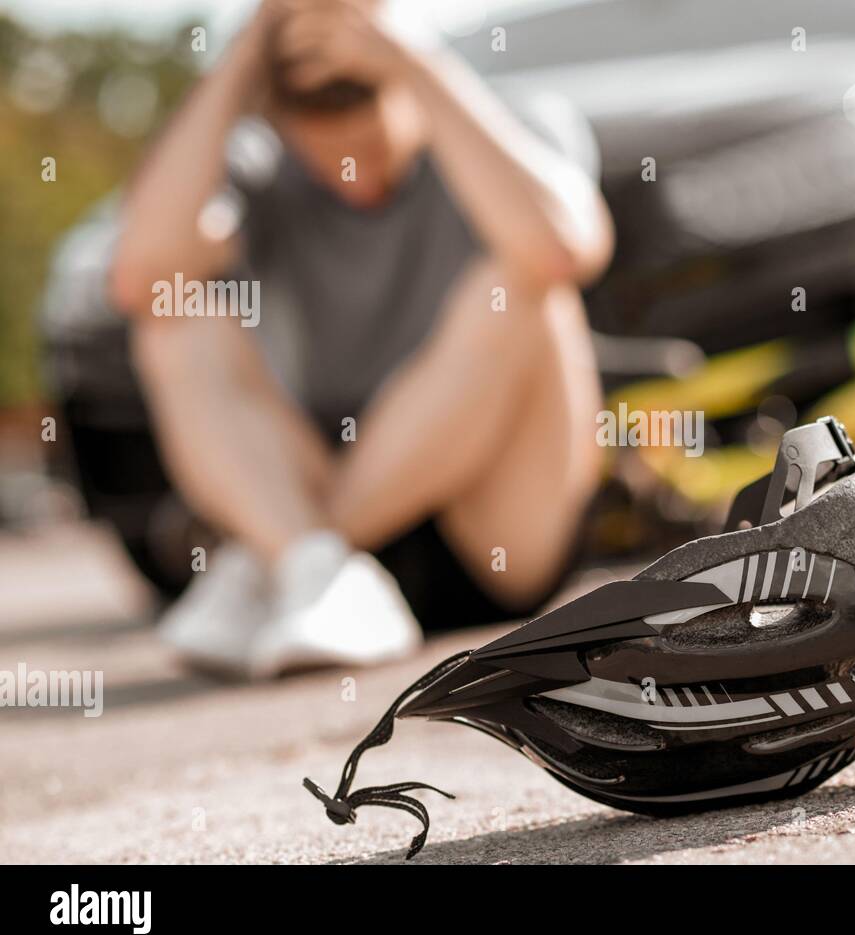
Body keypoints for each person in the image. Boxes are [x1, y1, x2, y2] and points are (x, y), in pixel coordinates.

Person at [107, 0, 613, 677]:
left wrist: (413, 57)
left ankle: (285, 562)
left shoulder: (502, 121)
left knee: (523, 284)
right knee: (177, 309)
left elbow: (561, 252)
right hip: (308, 506)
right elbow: (139, 278)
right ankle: (310, 564)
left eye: (374, 150)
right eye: (329, 160)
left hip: (489, 537)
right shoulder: (261, 171)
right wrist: (245, 60)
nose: (360, 178)